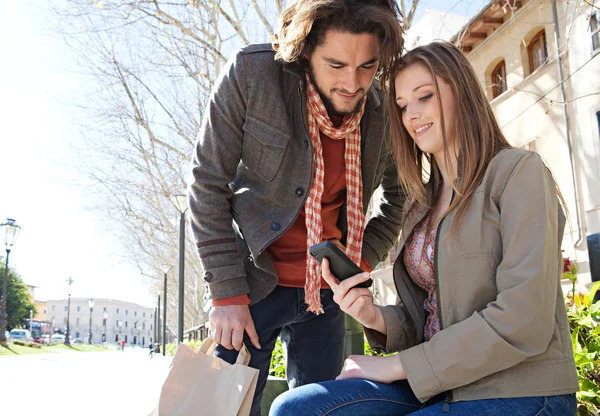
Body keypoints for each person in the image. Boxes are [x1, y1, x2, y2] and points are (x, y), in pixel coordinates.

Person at [270, 41, 579, 416]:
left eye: (424, 97)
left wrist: (397, 365)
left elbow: (523, 318)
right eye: (402, 106)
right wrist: (374, 317)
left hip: (518, 389)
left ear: (461, 93)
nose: (412, 115)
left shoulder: (518, 172)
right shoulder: (422, 203)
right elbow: (428, 317)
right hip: (439, 387)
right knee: (296, 408)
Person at [187, 1, 405, 414]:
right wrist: (226, 294)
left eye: (366, 67)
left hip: (326, 296)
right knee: (224, 409)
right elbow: (206, 180)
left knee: (316, 410)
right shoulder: (252, 74)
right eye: (336, 65)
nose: (352, 83)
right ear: (306, 50)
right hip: (251, 285)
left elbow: (399, 199)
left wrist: (356, 262)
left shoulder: (382, 110)